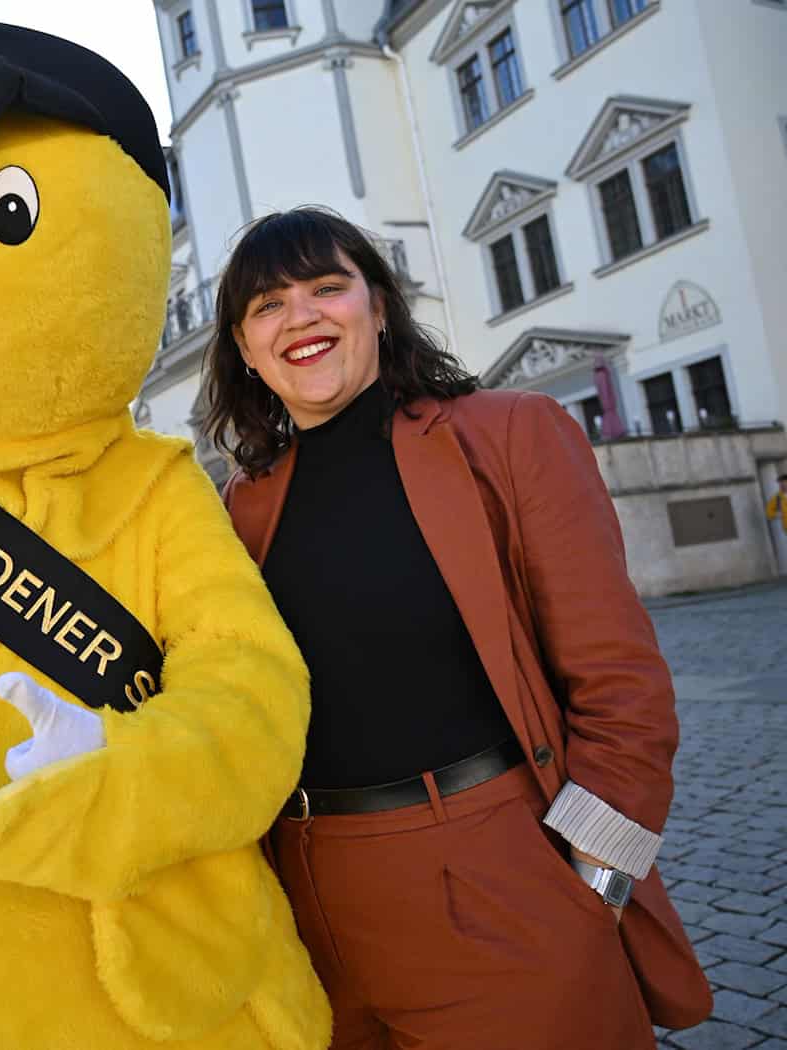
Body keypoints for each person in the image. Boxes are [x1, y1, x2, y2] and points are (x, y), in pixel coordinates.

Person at [206, 207, 711, 1049]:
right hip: (308, 902)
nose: (300, 315)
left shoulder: (507, 435)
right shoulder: (239, 505)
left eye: (327, 288)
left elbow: (622, 690)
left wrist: (595, 883)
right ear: (244, 347)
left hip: (492, 872)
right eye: (267, 304)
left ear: (378, 307)